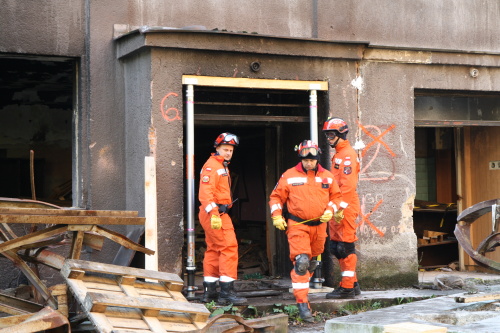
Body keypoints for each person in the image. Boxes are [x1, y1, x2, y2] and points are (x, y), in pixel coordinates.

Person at [269, 140, 347, 322]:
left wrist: (330, 210)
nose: (308, 163)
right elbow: (275, 197)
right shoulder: (289, 175)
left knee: (311, 263)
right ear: (301, 159)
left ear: (317, 158)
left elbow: (337, 197)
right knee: (302, 261)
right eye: (305, 160)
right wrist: (276, 215)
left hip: (319, 228)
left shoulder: (327, 176)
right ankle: (302, 303)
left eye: (312, 160)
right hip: (297, 226)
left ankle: (301, 288)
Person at [198, 132, 247, 305]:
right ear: (217, 148)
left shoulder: (221, 165)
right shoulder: (213, 166)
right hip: (216, 213)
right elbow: (205, 194)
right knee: (228, 248)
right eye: (225, 149)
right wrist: (214, 214)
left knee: (213, 249)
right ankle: (226, 293)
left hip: (214, 213)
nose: (228, 153)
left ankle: (209, 292)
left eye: (231, 150)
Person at [322, 117, 361, 299]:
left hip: (344, 207)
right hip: (338, 206)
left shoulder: (347, 154)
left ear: (341, 134)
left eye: (331, 135)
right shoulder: (339, 153)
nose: (329, 139)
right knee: (336, 247)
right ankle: (353, 284)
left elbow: (348, 186)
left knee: (344, 247)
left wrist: (339, 208)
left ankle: (347, 288)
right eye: (327, 135)